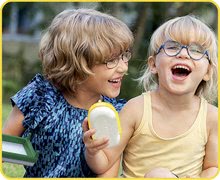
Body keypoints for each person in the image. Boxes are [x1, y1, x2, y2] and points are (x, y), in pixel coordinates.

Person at [3, 8, 133, 177]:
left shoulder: (114, 113)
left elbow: (107, 173)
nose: (123, 67)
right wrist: (28, 157)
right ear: (77, 62)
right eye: (112, 60)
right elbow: (4, 145)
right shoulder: (40, 96)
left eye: (124, 56)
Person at [83, 15, 218, 178]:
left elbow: (212, 168)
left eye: (196, 50)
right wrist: (93, 151)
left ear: (208, 72)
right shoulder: (136, 109)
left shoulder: (212, 117)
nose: (183, 54)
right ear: (153, 64)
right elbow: (104, 163)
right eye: (172, 47)